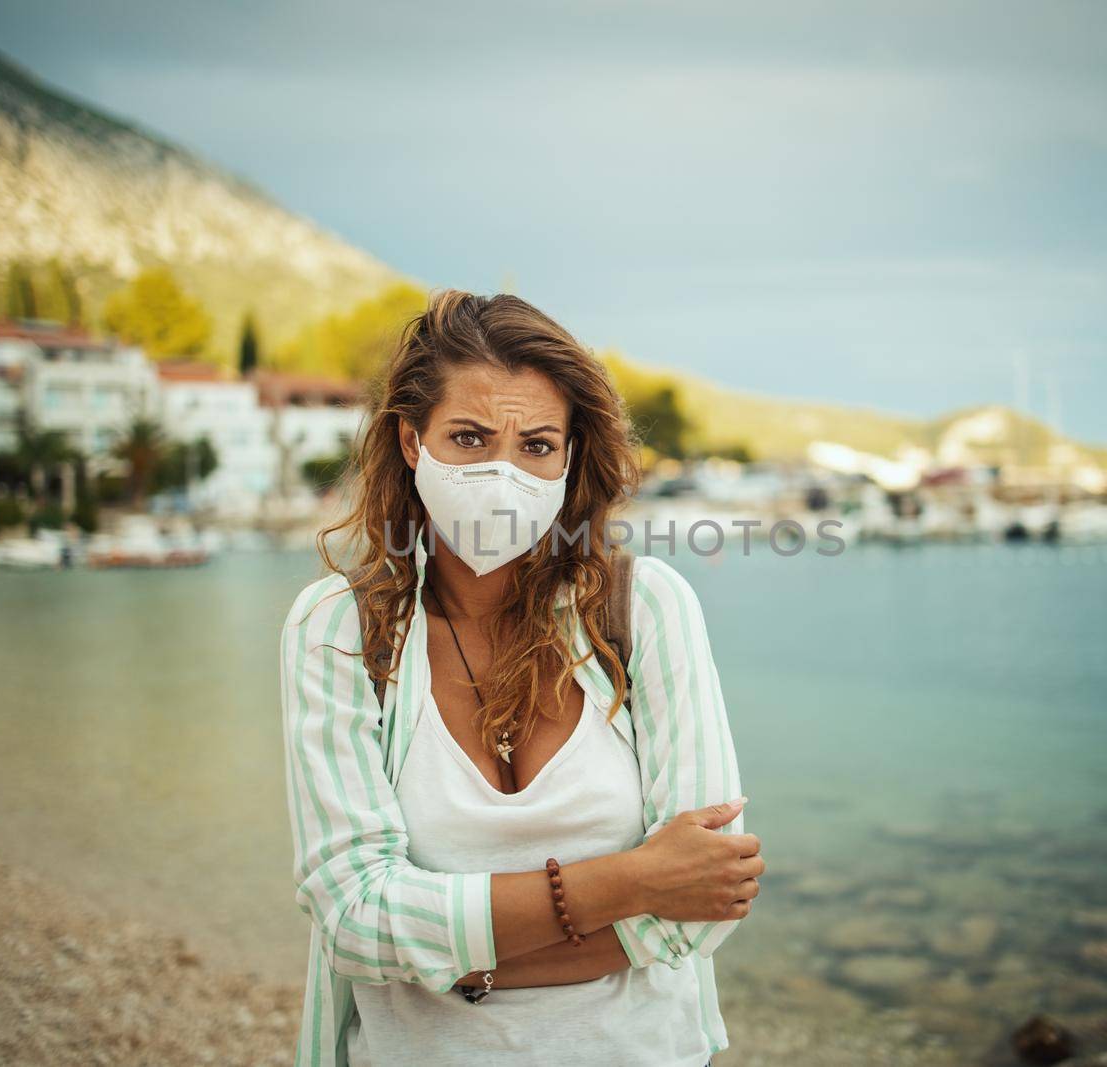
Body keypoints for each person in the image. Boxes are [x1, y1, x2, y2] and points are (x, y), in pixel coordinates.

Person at [280, 289, 763, 1065]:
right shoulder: (338, 629)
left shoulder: (647, 610)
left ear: (570, 458)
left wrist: (452, 961)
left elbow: (703, 910)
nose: (503, 474)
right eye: (469, 437)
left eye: (537, 444)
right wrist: (635, 878)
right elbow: (355, 917)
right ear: (411, 441)